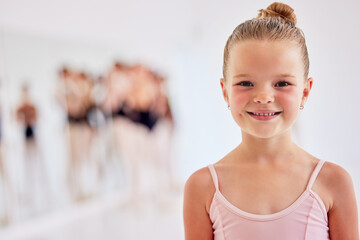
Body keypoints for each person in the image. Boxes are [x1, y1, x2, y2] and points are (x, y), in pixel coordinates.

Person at [183, 2, 359, 239]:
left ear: (305, 92)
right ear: (225, 91)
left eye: (282, 83)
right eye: (246, 83)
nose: (264, 97)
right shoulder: (202, 187)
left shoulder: (334, 182)